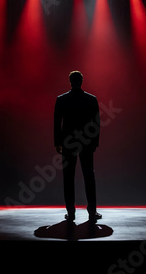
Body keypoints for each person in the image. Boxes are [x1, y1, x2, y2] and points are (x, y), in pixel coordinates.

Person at [54, 71, 102, 222]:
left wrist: (58, 143)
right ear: (82, 81)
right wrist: (94, 142)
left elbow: (57, 123)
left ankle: (71, 212)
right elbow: (96, 124)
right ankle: (92, 211)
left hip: (68, 143)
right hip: (86, 142)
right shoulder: (91, 99)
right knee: (89, 177)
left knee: (68, 177)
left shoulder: (62, 99)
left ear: (70, 81)